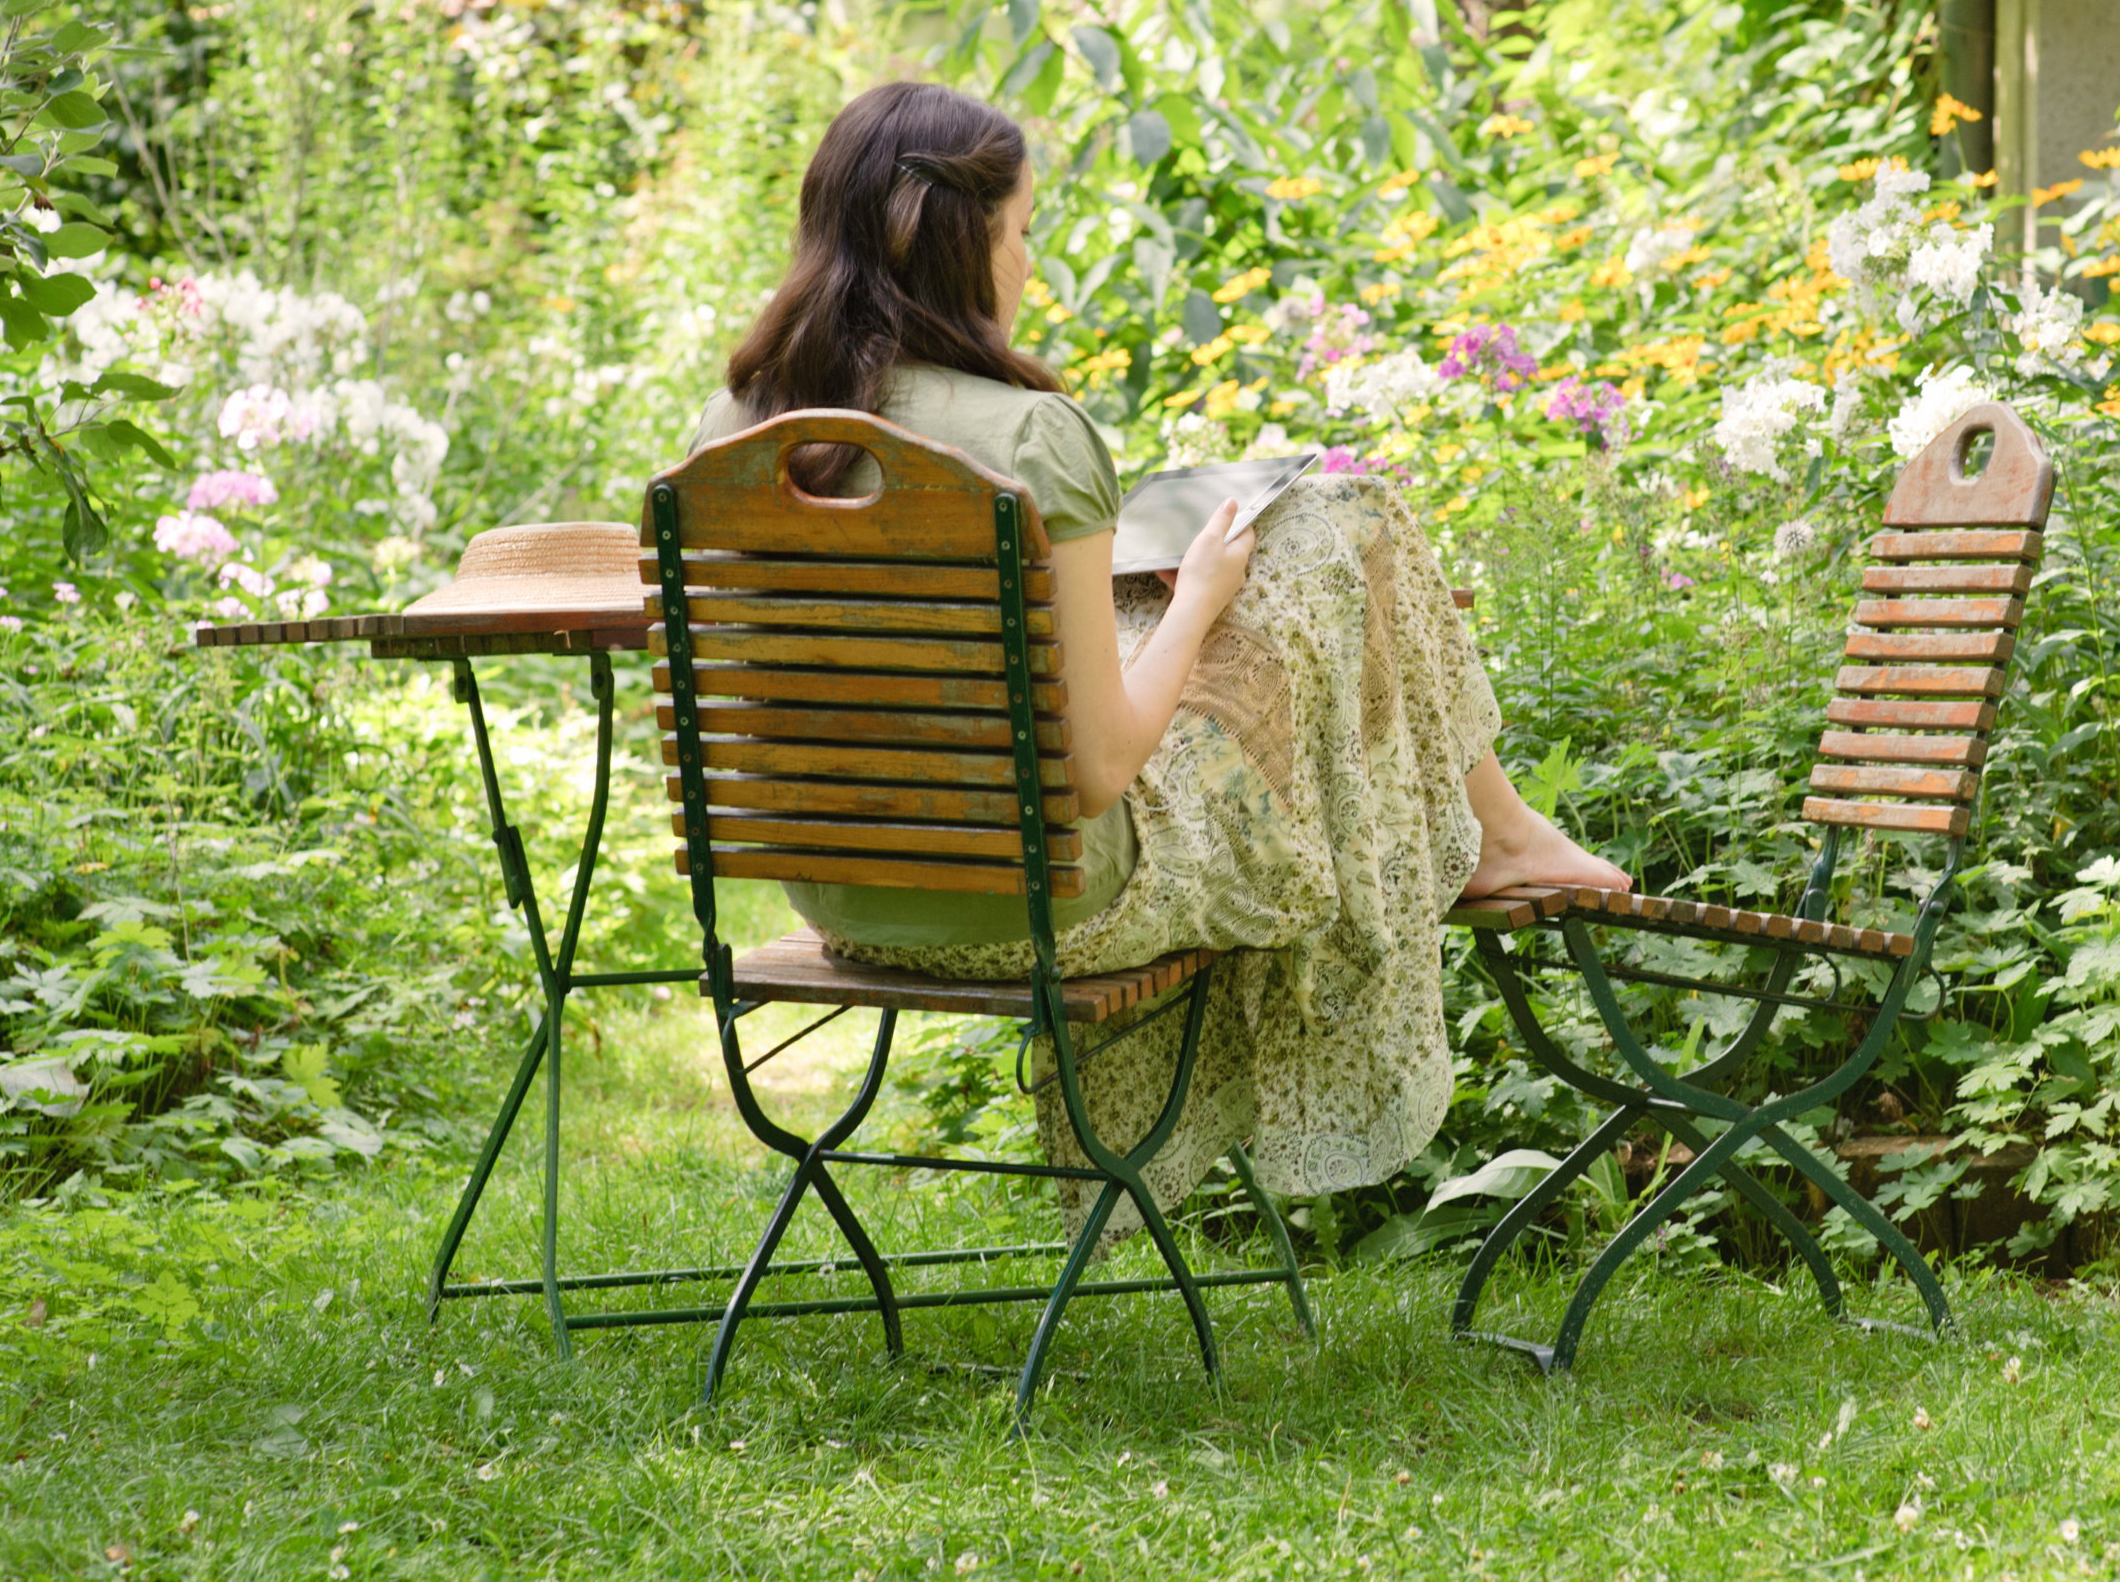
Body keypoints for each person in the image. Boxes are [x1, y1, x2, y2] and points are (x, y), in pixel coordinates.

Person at [689, 78, 1627, 1220]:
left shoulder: (734, 434)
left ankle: (1499, 832)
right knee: (1349, 529)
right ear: (961, 242)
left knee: (1274, 580)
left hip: (849, 904)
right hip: (1048, 909)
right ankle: (1499, 834)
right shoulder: (1031, 439)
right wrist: (1199, 598)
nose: (1027, 265)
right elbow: (1096, 772)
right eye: (1022, 231)